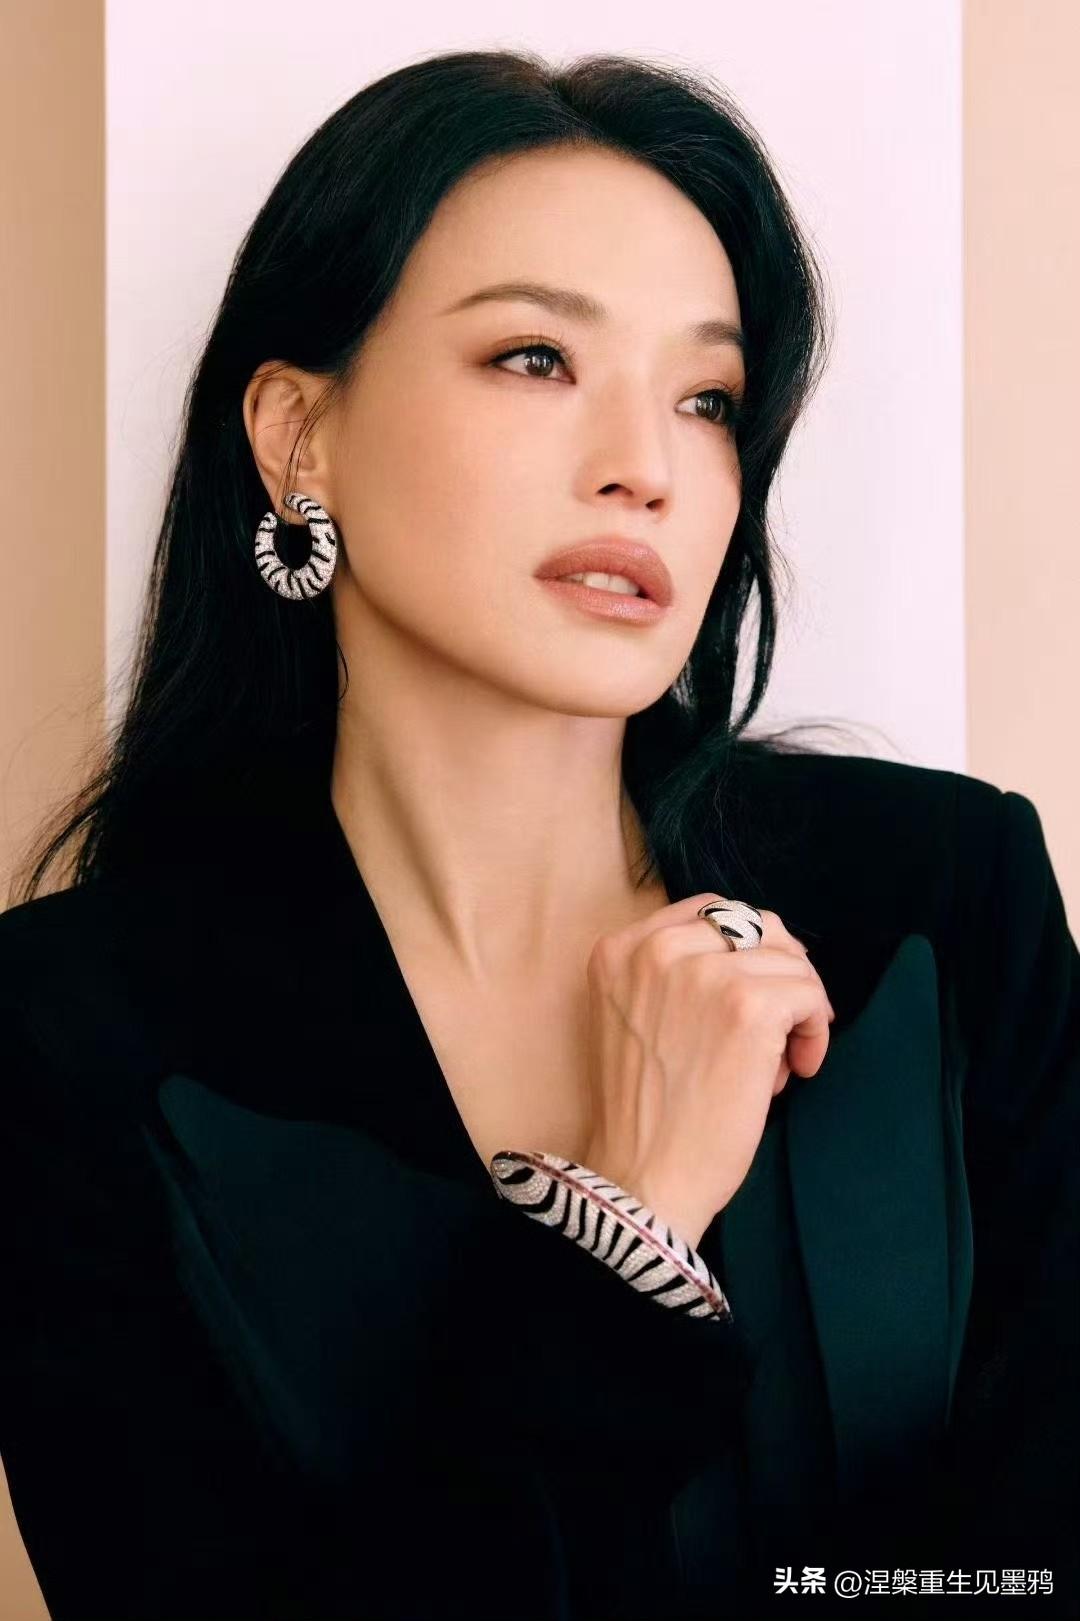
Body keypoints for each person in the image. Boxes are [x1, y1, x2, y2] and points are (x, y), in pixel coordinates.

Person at [1, 46, 1076, 1621]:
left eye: (707, 399)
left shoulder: (945, 897)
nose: (646, 465)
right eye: (534, 358)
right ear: (298, 435)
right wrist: (629, 1217)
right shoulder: (69, 1030)